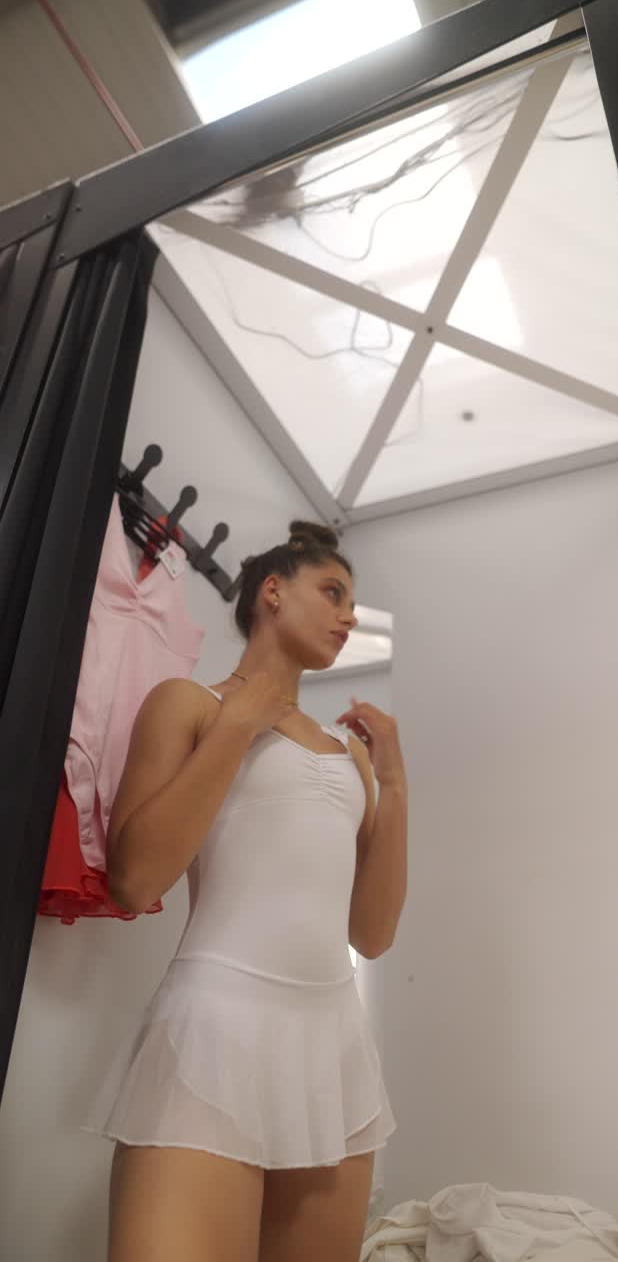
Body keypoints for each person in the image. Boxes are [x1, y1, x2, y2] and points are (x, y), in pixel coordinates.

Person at [90, 519, 408, 1262]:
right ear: (272, 591)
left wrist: (393, 781)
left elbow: (374, 935)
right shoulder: (189, 704)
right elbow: (135, 880)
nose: (347, 616)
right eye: (333, 592)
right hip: (214, 1032)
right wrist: (239, 723)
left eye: (352, 604)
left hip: (332, 1048)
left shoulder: (351, 761)